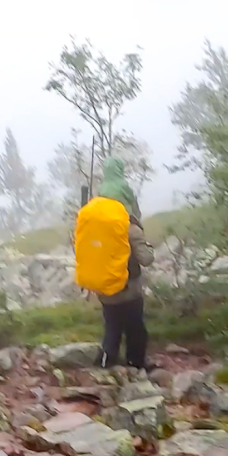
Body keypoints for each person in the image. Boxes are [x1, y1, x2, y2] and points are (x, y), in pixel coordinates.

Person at [93, 156, 153, 369]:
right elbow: (146, 260)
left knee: (112, 328)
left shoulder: (97, 232)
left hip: (105, 291)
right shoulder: (131, 229)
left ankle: (104, 365)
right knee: (136, 329)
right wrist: (147, 245)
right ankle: (135, 365)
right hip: (129, 291)